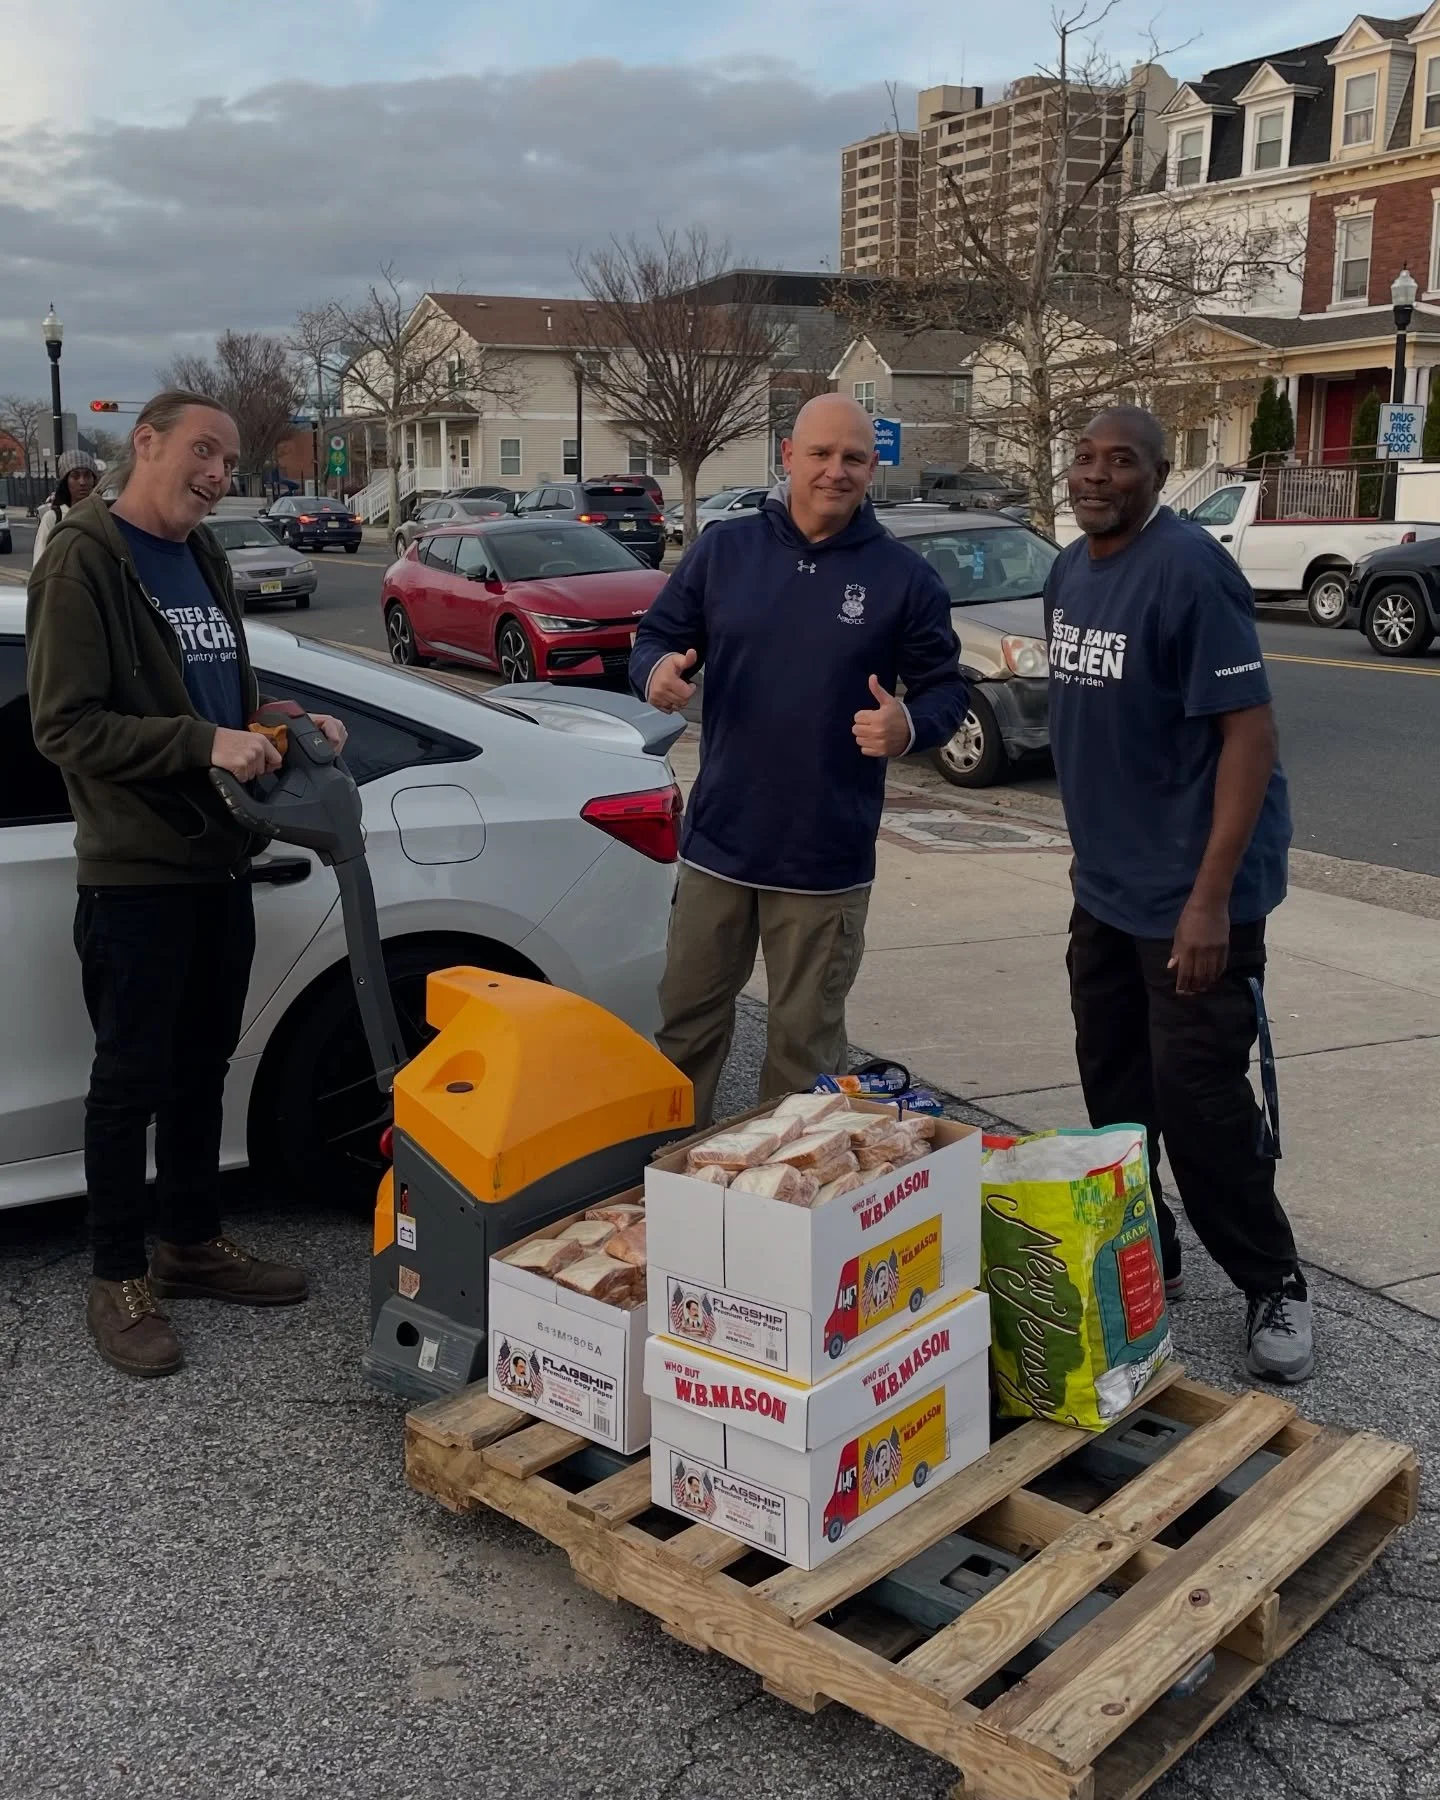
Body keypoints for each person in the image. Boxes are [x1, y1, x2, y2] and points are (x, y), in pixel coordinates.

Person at [26, 389, 349, 1379]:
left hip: (222, 858)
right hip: (136, 874)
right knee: (130, 1080)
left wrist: (281, 718)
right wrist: (205, 741)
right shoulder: (85, 558)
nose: (218, 473)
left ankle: (190, 1243)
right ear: (147, 441)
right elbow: (64, 726)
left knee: (205, 1065)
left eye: (230, 459)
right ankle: (117, 1274)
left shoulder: (202, 556)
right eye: (202, 452)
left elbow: (219, 688)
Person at [1046, 405, 1311, 1384]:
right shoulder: (1071, 572)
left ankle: (1273, 1282)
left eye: (1122, 460)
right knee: (1114, 1093)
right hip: (1109, 889)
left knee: (1197, 1102)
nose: (1097, 474)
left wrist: (1209, 902)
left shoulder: (1191, 571)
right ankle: (1145, 1247)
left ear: (1161, 474)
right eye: (1084, 455)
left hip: (1198, 899)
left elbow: (1250, 736)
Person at [629, 393, 967, 1126]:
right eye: (820, 454)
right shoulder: (726, 551)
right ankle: (661, 1184)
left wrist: (909, 725)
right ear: (788, 455)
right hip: (721, 844)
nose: (835, 471)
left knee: (804, 1054)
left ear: (872, 467)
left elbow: (947, 690)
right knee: (684, 1031)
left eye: (853, 458)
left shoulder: (902, 578)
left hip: (825, 861)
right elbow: (656, 634)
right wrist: (654, 670)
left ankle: (778, 1212)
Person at [32, 449, 100, 564]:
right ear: (65, 481)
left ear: (94, 480)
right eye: (75, 476)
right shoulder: (53, 518)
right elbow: (39, 564)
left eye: (87, 476)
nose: (82, 482)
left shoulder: (102, 517)